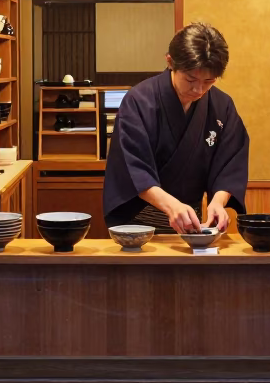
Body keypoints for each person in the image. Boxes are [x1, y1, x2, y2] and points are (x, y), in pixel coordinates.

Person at [103, 22, 249, 234]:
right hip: (140, 224)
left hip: (193, 224)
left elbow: (231, 160)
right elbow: (132, 168)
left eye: (209, 81)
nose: (199, 89)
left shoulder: (222, 106)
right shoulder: (139, 101)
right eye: (191, 79)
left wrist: (218, 201)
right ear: (170, 62)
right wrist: (172, 207)